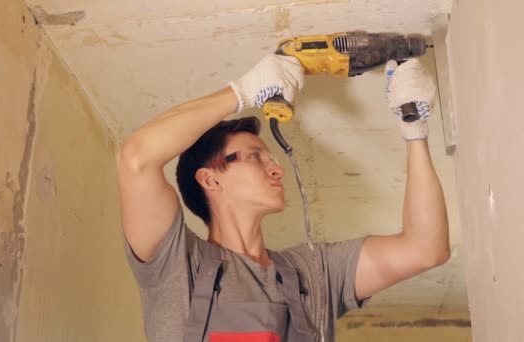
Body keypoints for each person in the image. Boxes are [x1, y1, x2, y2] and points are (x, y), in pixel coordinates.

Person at [116, 54, 450, 342]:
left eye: (273, 160)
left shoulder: (314, 271)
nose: (277, 170)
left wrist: (414, 129)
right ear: (210, 178)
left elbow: (425, 249)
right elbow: (136, 159)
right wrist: (241, 92)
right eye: (255, 157)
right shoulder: (177, 266)